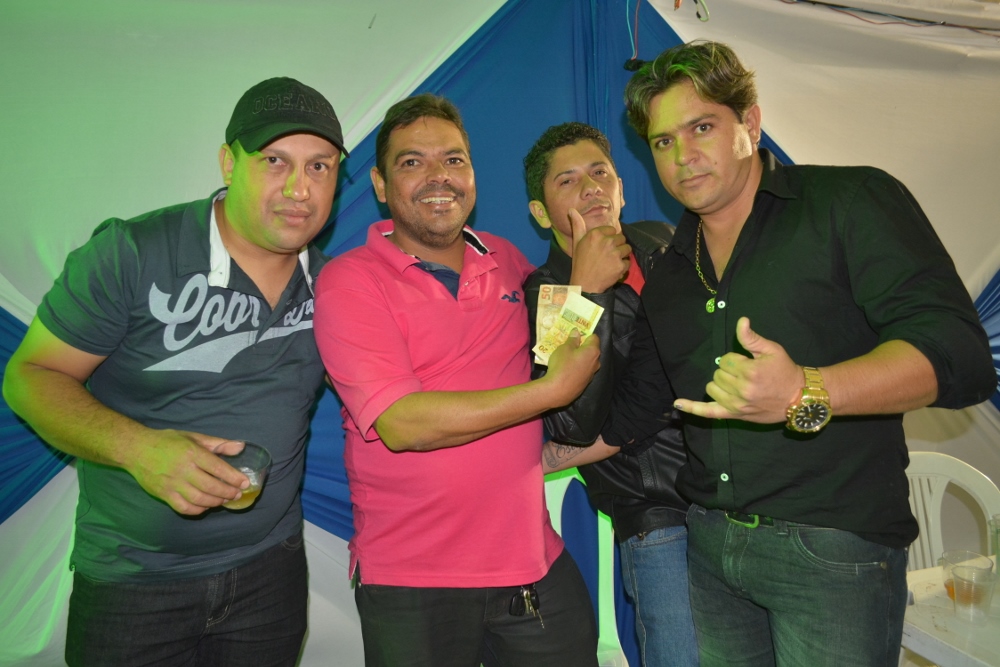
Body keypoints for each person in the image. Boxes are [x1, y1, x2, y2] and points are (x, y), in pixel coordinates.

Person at [601, 41, 996, 667]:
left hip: (832, 551)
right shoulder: (671, 273)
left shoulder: (849, 201)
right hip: (710, 547)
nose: (682, 156)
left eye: (702, 127)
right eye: (663, 141)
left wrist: (805, 390)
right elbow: (640, 406)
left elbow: (961, 357)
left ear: (751, 124)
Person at [2, 77, 347, 666]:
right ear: (228, 162)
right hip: (134, 584)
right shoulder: (131, 252)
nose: (299, 188)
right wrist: (139, 449)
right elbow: (30, 376)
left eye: (319, 166)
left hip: (272, 573)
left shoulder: (337, 286)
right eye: (274, 161)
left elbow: (392, 396)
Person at [313, 94, 602, 667]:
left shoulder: (508, 260)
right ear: (379, 184)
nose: (438, 177)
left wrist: (586, 282)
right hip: (412, 583)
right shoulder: (350, 280)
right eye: (412, 162)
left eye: (453, 160)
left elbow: (559, 352)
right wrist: (551, 391)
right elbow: (403, 424)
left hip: (533, 567)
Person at [522, 121, 698, 667]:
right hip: (655, 516)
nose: (590, 187)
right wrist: (588, 291)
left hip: (732, 496)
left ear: (621, 187)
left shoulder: (661, 241)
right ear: (541, 213)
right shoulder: (548, 292)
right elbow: (571, 422)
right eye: (568, 180)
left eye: (600, 172)